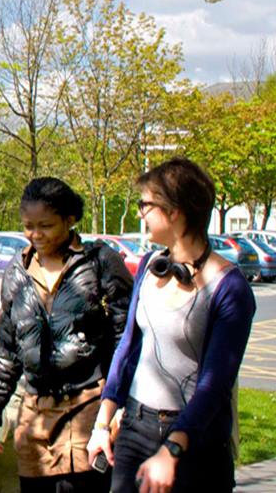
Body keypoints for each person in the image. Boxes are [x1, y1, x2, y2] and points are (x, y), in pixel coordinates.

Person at [86, 157, 256, 493]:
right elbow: (129, 347)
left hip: (196, 440)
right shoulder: (151, 265)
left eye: (145, 204)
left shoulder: (230, 287)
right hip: (136, 427)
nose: (140, 213)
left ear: (174, 211)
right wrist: (103, 422)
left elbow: (214, 385)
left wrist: (172, 449)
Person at [0, 178, 134, 492]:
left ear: (69, 220)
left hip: (89, 409)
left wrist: (120, 405)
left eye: (45, 225)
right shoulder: (17, 271)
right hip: (35, 415)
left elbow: (126, 339)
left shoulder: (101, 263)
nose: (35, 235)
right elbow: (8, 345)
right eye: (28, 226)